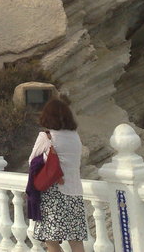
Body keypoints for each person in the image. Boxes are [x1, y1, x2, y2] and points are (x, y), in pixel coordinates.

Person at [28, 99, 87, 252]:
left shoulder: (47, 137)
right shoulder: (75, 137)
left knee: (51, 240)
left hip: (54, 193)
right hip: (75, 192)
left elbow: (32, 161)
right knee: (76, 241)